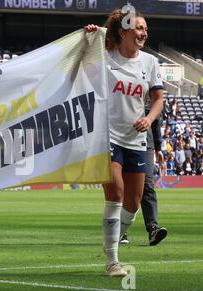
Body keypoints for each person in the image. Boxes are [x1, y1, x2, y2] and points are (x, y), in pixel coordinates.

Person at [86, 9, 164, 277]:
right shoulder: (104, 58)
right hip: (108, 136)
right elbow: (77, 66)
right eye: (139, 28)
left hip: (137, 140)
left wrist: (149, 118)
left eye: (145, 29)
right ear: (123, 31)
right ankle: (112, 261)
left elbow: (158, 99)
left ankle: (115, 234)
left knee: (133, 201)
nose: (143, 33)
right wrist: (88, 40)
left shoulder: (150, 62)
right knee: (116, 192)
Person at [120, 106, 168, 246]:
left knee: (147, 185)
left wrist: (158, 148)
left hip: (145, 143)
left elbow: (155, 118)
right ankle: (121, 231)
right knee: (122, 186)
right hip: (121, 141)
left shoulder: (147, 89)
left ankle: (153, 229)